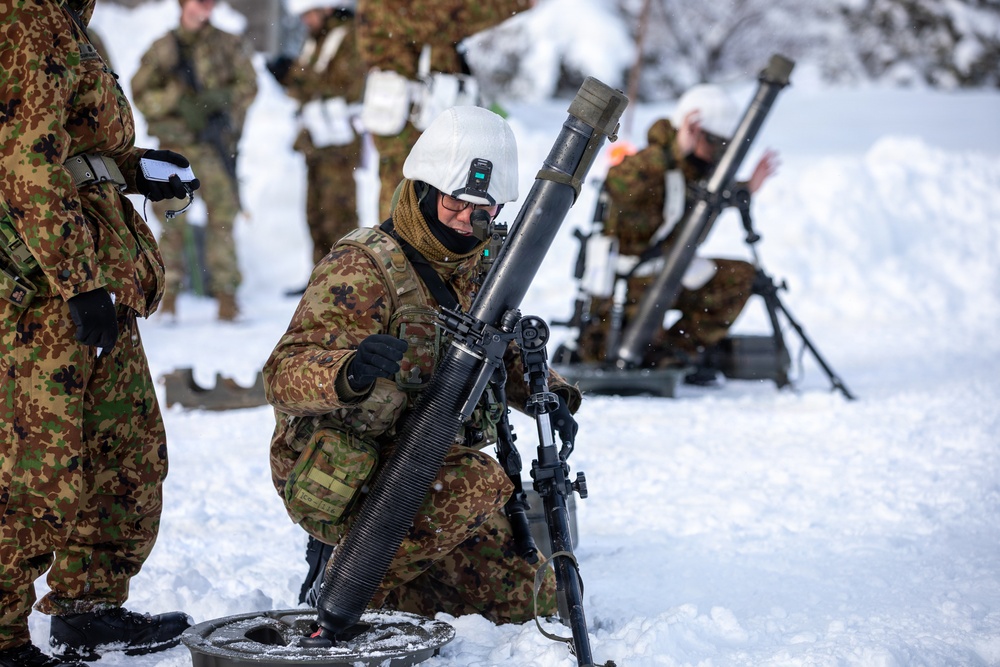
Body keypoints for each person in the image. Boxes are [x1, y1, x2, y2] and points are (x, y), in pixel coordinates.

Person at [263, 106, 582, 623]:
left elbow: (502, 351)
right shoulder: (363, 267)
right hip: (346, 467)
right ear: (428, 188)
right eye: (457, 200)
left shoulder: (481, 265)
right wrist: (348, 371)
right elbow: (281, 375)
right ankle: (344, 576)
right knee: (478, 480)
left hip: (432, 460)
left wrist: (554, 397)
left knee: (542, 606)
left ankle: (405, 584)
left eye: (485, 207)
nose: (468, 218)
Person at [0, 2, 198, 665]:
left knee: (126, 448)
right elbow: (24, 159)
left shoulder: (64, 20)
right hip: (40, 287)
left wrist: (133, 167)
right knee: (33, 470)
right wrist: (77, 280)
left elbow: (69, 141)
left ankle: (89, 608)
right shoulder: (23, 16)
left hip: (97, 271)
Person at [577, 83, 779, 383]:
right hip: (628, 287)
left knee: (740, 277)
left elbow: (702, 195)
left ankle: (674, 353)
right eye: (714, 142)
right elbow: (618, 180)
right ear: (693, 129)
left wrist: (746, 188)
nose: (717, 153)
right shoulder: (653, 162)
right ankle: (648, 349)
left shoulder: (696, 173)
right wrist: (676, 149)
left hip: (669, 276)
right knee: (606, 351)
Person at [131, 0, 258, 321]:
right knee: (172, 220)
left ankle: (226, 297)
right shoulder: (163, 49)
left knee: (223, 219)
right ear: (184, 5)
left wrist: (218, 100)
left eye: (210, 3)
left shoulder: (227, 44)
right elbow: (139, 93)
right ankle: (168, 297)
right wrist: (174, 99)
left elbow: (249, 85)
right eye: (199, 2)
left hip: (214, 147)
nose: (205, 8)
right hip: (176, 149)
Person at [355, 0, 534, 221]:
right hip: (407, 123)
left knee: (432, 201)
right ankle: (398, 253)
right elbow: (443, 19)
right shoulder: (391, 6)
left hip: (419, 117)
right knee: (407, 202)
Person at [266, 0, 366, 288]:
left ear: (326, 8)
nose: (305, 21)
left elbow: (343, 87)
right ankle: (322, 280)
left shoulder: (348, 37)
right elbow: (310, 87)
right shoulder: (316, 41)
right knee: (315, 213)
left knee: (339, 215)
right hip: (316, 141)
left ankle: (349, 280)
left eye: (309, 14)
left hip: (338, 144)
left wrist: (293, 75)